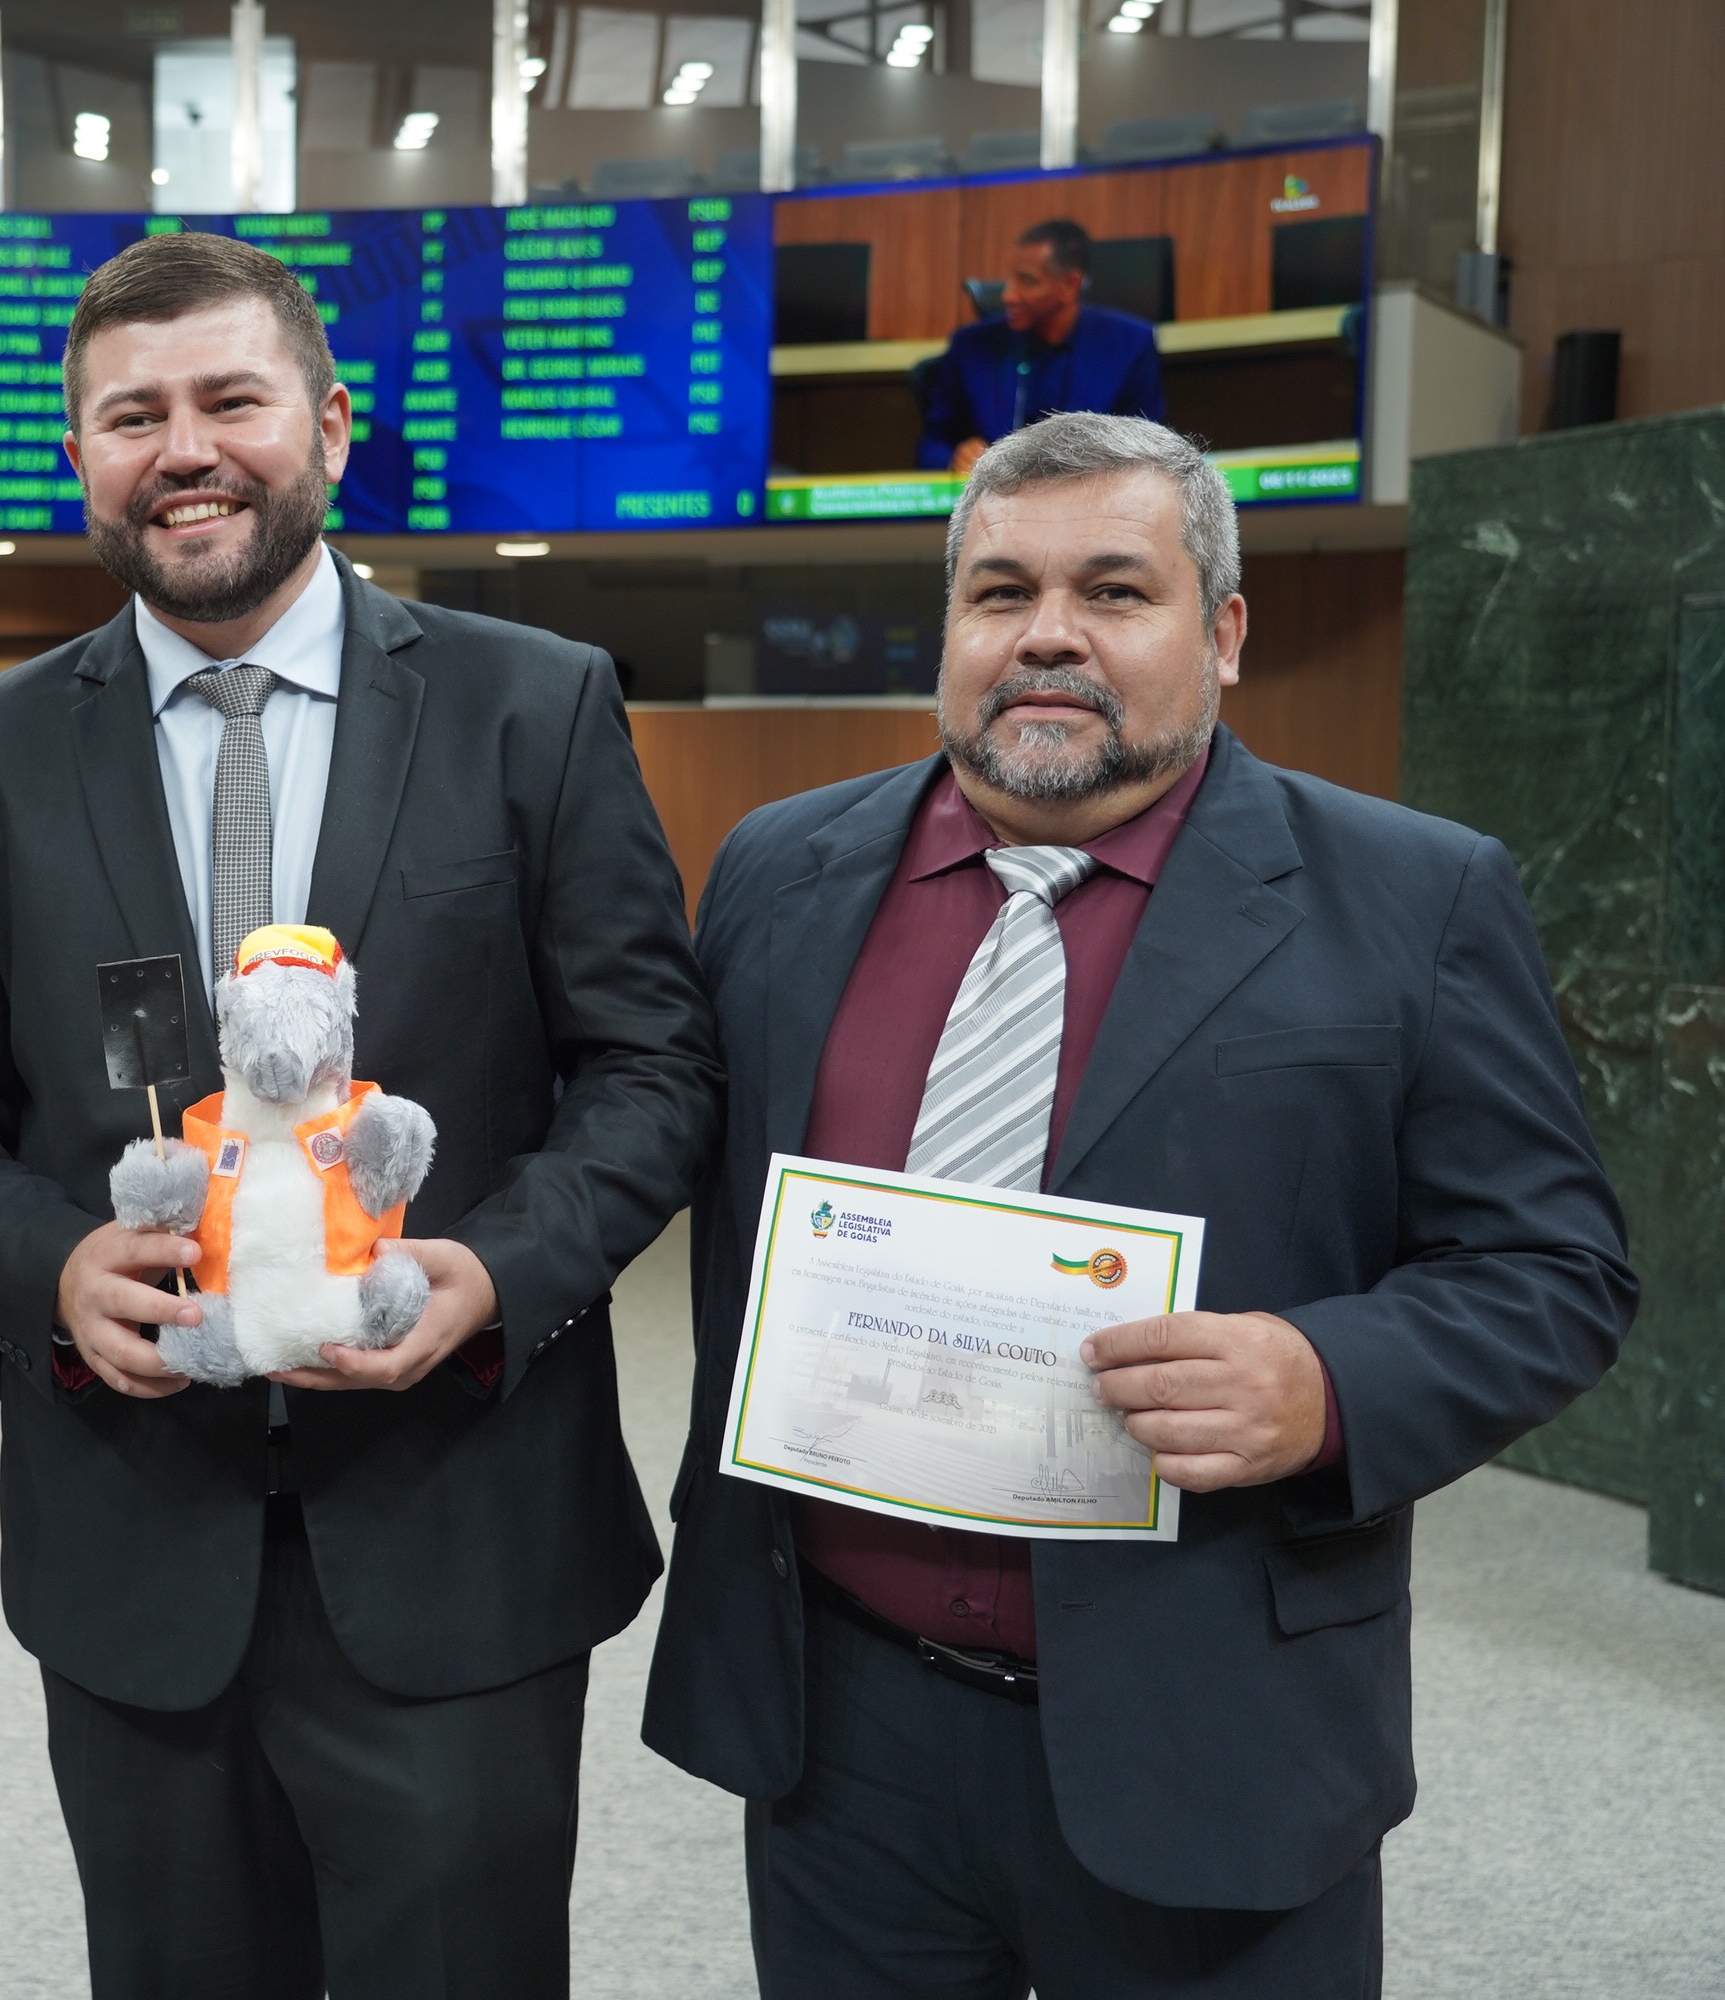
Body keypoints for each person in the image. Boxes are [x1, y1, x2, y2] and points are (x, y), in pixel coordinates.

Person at [643, 411, 1635, 1998]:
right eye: (1000, 592)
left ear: (1223, 633)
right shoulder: (780, 868)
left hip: (1209, 1720)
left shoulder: (1415, 896)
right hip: (841, 1729)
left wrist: (1325, 1384)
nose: (1048, 634)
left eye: (1114, 591)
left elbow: (1556, 1269)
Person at [0, 230, 719, 1997]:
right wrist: (51, 1270)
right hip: (132, 1541)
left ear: (328, 425)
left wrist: (492, 1272)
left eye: (229, 401)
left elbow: (653, 1069)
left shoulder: (532, 704)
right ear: (79, 455)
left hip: (459, 1523)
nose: (183, 450)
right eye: (131, 416)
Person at [917, 218, 1164, 476]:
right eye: (1010, 278)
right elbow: (932, 444)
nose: (1008, 295)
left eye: (1027, 281)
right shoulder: (970, 346)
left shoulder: (1130, 345)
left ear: (1069, 285)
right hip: (998, 492)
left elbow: (1147, 450)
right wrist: (954, 458)